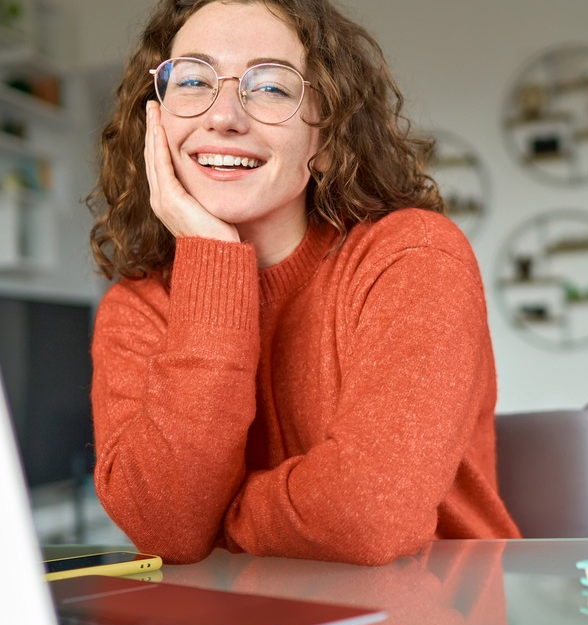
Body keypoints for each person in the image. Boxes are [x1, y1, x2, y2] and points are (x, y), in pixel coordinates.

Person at [86, 0, 520, 566]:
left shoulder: (414, 256)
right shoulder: (137, 308)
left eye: (270, 88)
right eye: (193, 80)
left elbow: (367, 515)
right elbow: (166, 529)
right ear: (156, 119)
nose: (223, 116)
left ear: (325, 132)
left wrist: (218, 520)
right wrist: (213, 260)